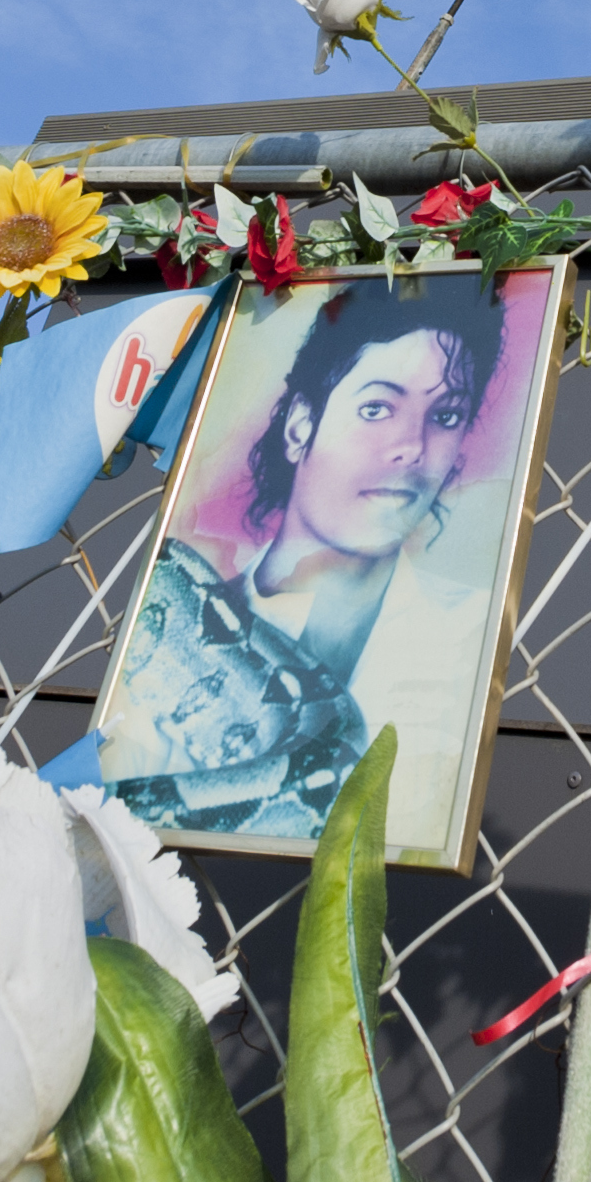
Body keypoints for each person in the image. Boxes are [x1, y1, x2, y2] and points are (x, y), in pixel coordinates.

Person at [100, 276, 512, 838]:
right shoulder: (154, 616)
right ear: (300, 427)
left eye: (445, 416)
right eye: (376, 408)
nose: (412, 447)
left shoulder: (480, 632)